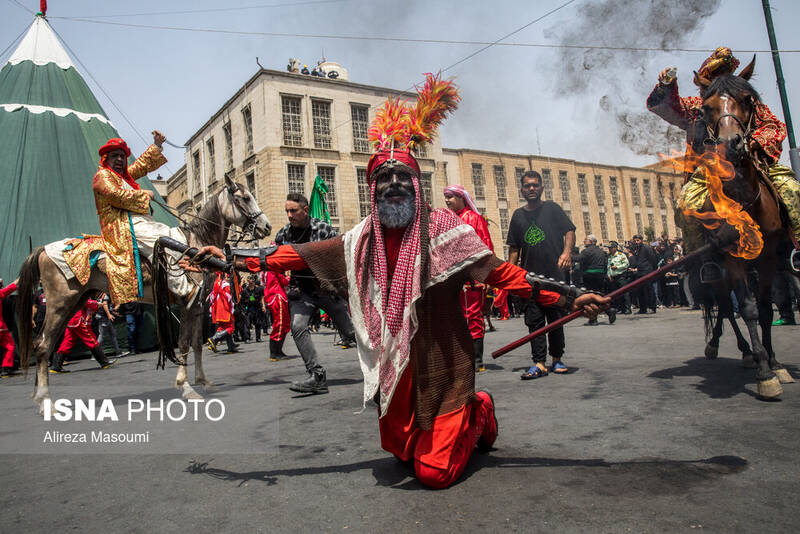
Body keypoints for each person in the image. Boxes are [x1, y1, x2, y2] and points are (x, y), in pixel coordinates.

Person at [182, 74, 608, 489]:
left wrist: (568, 297)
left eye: (402, 177)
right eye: (383, 179)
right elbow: (301, 255)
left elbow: (501, 271)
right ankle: (444, 422)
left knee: (432, 473)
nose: (393, 185)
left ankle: (476, 411)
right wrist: (236, 259)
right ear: (373, 188)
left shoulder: (445, 230)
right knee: (400, 453)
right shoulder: (362, 237)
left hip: (444, 364)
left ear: (416, 185)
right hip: (399, 367)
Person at [646, 47, 800, 250]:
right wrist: (666, 86)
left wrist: (754, 141)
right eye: (717, 76)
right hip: (708, 172)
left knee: (792, 190)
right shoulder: (698, 107)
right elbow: (672, 109)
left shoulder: (749, 104)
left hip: (756, 164)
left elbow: (773, 126)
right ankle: (699, 258)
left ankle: (796, 246)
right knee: (686, 205)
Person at [72, 131, 195, 305]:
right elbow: (115, 196)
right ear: (106, 159)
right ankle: (183, 291)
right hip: (122, 226)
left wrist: (157, 146)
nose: (120, 160)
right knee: (161, 242)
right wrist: (144, 194)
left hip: (140, 222)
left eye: (123, 156)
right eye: (115, 156)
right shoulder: (103, 176)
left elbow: (141, 166)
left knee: (175, 236)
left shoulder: (123, 177)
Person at [274, 192, 357, 394]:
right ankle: (317, 375)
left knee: (351, 333)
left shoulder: (323, 229)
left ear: (305, 210)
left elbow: (339, 257)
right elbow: (276, 260)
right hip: (301, 291)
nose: (290, 215)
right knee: (297, 326)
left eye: (293, 210)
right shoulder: (283, 235)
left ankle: (385, 363)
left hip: (327, 290)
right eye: (287, 211)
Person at [507, 170, 576, 380]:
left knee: (556, 319)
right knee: (534, 322)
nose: (531, 189)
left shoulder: (552, 209)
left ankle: (557, 359)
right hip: (530, 280)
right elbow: (514, 249)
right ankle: (539, 363)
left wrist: (566, 253)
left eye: (535, 185)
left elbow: (569, 231)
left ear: (542, 188)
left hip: (555, 277)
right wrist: (511, 275)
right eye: (527, 185)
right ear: (522, 189)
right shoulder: (518, 216)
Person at [444, 184, 494, 372]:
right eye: (445, 197)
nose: (447, 200)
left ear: (461, 198)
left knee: (473, 315)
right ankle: (459, 359)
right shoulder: (448, 220)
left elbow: (486, 246)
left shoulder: (474, 218)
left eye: (450, 196)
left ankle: (477, 360)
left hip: (472, 277)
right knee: (453, 318)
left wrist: (487, 276)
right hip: (451, 278)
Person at [50, 297, 117, 373]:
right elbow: (85, 301)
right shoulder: (81, 291)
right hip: (79, 320)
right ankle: (104, 362)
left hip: (72, 320)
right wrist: (97, 304)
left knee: (67, 343)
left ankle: (56, 366)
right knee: (91, 340)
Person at [578, 235, 614, 325]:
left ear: (590, 241)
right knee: (599, 295)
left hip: (589, 275)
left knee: (590, 297)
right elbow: (605, 264)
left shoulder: (586, 251)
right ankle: (609, 310)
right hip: (600, 275)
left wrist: (567, 255)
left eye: (585, 239)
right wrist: (604, 274)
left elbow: (579, 259)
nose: (584, 241)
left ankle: (593, 319)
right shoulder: (601, 251)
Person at [206, 272, 239, 354]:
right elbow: (228, 297)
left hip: (218, 307)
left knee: (222, 327)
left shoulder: (217, 283)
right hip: (225, 308)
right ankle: (214, 339)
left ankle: (230, 347)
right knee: (230, 328)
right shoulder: (226, 285)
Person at [263, 270, 291, 361]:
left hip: (275, 297)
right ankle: (274, 352)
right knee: (280, 324)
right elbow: (285, 282)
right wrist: (288, 277)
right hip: (277, 296)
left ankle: (278, 351)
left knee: (284, 325)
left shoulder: (268, 271)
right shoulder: (273, 269)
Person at [629, 235, 658, 314]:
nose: (636, 242)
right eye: (635, 241)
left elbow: (653, 259)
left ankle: (652, 307)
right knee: (640, 291)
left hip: (647, 271)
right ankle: (643, 308)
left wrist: (653, 270)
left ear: (641, 240)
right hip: (639, 272)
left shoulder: (646, 248)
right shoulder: (636, 249)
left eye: (638, 240)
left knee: (649, 290)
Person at [606, 241, 631, 314]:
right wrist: (609, 275)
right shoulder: (610, 257)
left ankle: (627, 308)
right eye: (609, 248)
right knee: (617, 294)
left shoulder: (621, 255)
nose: (609, 249)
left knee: (625, 292)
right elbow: (608, 267)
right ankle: (620, 308)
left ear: (615, 248)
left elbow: (626, 264)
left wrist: (617, 267)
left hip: (621, 276)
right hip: (613, 277)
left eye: (610, 248)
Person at [94, 292, 122, 358]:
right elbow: (104, 304)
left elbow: (107, 306)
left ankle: (118, 352)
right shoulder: (105, 295)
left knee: (113, 334)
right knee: (102, 336)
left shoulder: (101, 295)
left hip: (103, 317)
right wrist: (109, 314)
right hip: (103, 318)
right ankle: (95, 353)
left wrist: (113, 312)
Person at [1, 278, 19, 377]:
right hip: (2, 327)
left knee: (10, 345)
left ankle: (6, 368)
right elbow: (8, 290)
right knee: (10, 346)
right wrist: (17, 281)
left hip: (2, 327)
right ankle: (6, 368)